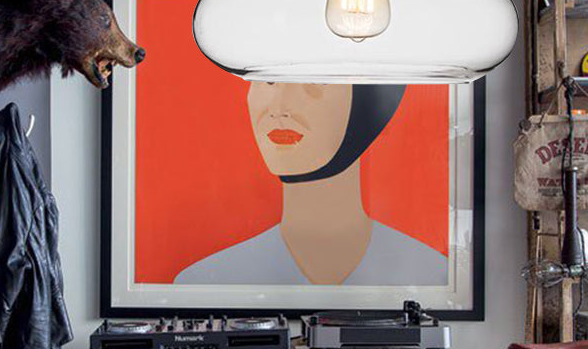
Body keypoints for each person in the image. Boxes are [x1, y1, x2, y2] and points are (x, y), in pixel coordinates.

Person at [175, 83, 448, 286]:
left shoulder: (434, 277)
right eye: (268, 81)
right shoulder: (202, 285)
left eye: (316, 81)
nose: (279, 109)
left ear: (374, 102)